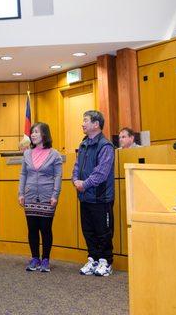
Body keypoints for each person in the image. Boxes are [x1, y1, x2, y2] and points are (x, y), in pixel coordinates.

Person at [72, 110, 115, 277]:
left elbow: (101, 172)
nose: (82, 124)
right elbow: (77, 166)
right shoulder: (83, 144)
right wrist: (75, 180)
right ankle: (93, 259)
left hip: (100, 197)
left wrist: (84, 184)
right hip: (85, 197)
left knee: (103, 231)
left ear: (96, 124)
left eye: (86, 120)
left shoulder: (105, 145)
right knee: (88, 230)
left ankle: (106, 261)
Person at [18, 122, 63, 273]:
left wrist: (55, 195)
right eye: (32, 132)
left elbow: (58, 176)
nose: (33, 134)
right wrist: (21, 193)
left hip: (47, 197)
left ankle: (45, 259)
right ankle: (35, 258)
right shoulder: (26, 154)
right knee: (32, 229)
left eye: (36, 132)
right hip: (30, 196)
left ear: (44, 134)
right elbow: (23, 174)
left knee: (45, 229)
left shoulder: (54, 154)